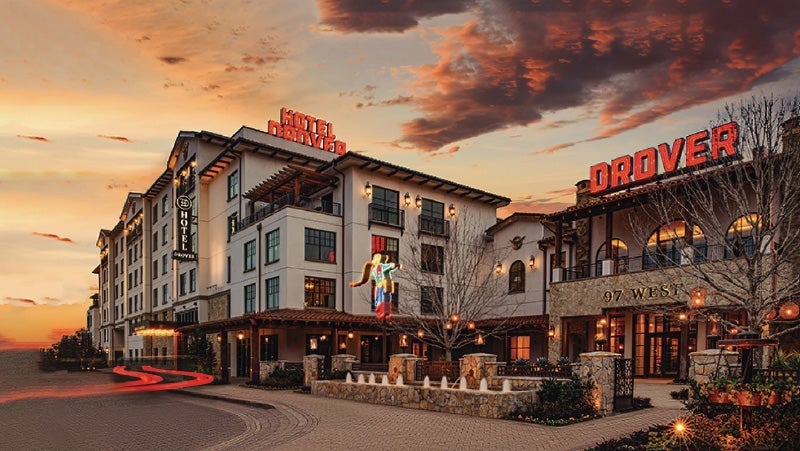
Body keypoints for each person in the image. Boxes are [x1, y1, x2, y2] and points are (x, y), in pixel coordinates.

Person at [350, 253, 400, 318]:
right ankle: (382, 310)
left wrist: (395, 266)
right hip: (383, 285)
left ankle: (382, 310)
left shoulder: (376, 268)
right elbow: (390, 267)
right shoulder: (380, 266)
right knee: (383, 297)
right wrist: (395, 266)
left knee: (381, 297)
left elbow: (390, 268)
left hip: (382, 285)